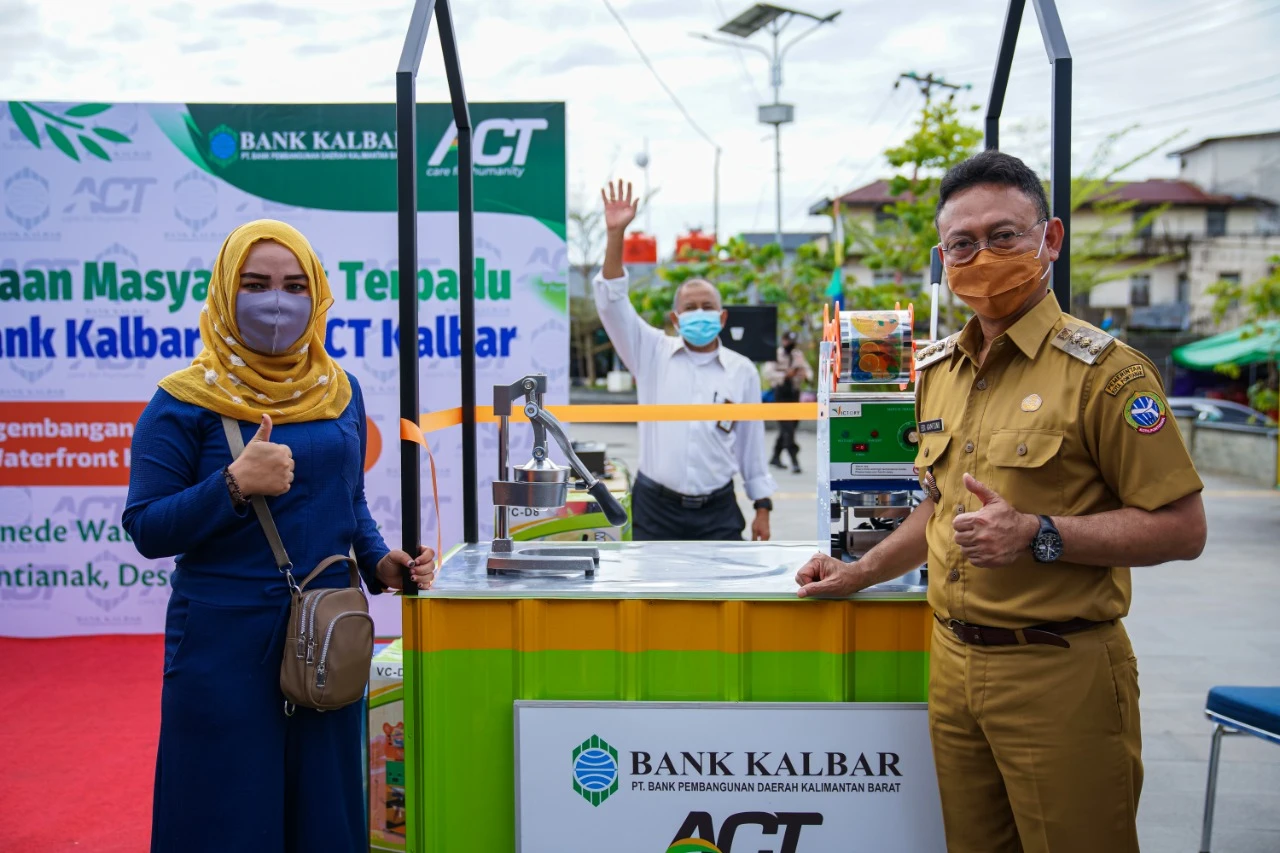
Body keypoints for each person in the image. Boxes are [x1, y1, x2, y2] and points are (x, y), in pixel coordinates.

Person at [794, 151, 1207, 853]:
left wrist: (1041, 533)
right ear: (943, 257)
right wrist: (858, 570)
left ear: (1050, 239)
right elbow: (937, 508)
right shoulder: (938, 372)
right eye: (962, 243)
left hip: (1061, 670)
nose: (981, 255)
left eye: (1004, 235)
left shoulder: (1108, 375)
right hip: (954, 667)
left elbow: (1182, 527)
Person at [123, 220, 435, 853]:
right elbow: (147, 527)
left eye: (295, 285)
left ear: (317, 295)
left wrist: (381, 564)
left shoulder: (338, 392)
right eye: (256, 283)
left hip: (326, 635)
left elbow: (350, 502)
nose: (276, 301)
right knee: (225, 814)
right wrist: (232, 486)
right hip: (222, 644)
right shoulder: (183, 402)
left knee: (327, 814)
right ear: (224, 290)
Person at [594, 180, 777, 541]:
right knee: (655, 598)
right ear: (675, 320)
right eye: (690, 308)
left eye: (707, 307)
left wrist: (762, 507)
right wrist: (616, 235)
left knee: (719, 598)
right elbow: (611, 301)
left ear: (723, 318)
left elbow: (751, 446)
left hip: (718, 512)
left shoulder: (742, 371)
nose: (699, 314)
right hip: (655, 507)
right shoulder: (650, 353)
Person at [763, 330, 812, 473]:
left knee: (790, 427)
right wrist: (785, 375)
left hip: (794, 394)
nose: (790, 344)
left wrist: (804, 374)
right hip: (781, 395)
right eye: (788, 341)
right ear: (783, 340)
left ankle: (775, 457)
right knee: (787, 429)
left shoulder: (797, 355)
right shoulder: (776, 354)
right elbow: (767, 373)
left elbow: (808, 370)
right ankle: (795, 460)